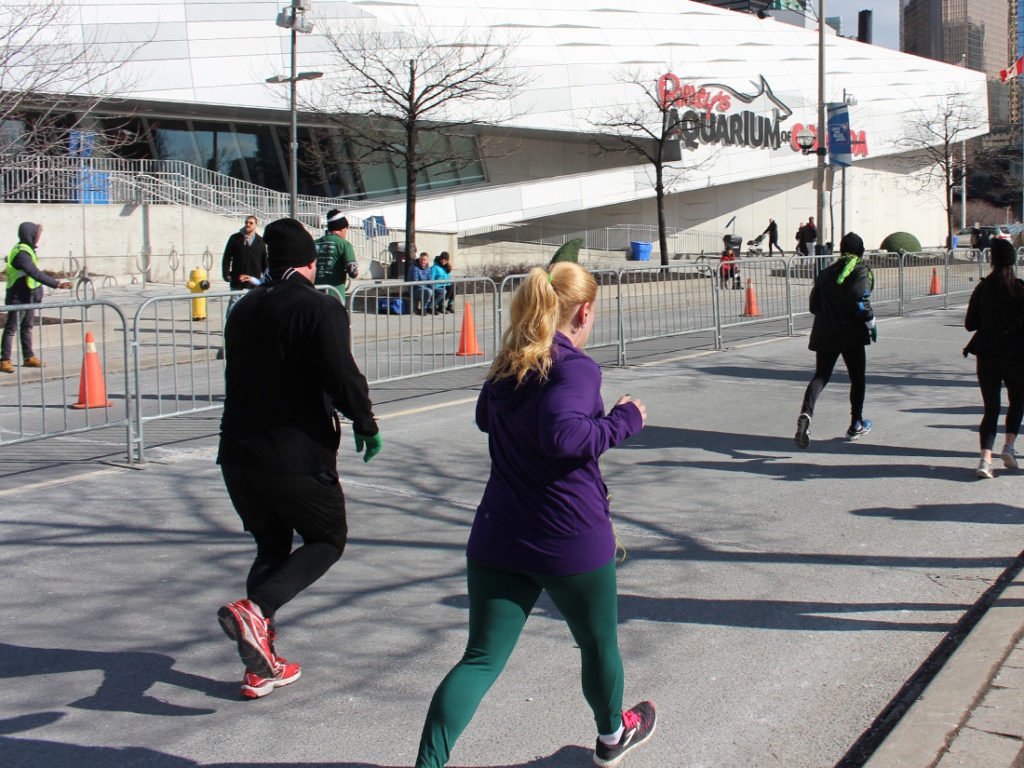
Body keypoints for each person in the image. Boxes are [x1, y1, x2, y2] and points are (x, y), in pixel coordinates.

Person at [414, 262, 656, 768]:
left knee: (479, 659)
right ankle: (612, 735)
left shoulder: (511, 362)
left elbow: (486, 417)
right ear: (584, 311)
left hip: (498, 536)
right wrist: (623, 419)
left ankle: (429, 764)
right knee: (597, 643)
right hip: (569, 536)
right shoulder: (576, 367)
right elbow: (565, 436)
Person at [216, 217, 382, 699]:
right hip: (293, 453)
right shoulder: (317, 307)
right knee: (327, 538)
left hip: (238, 453)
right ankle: (255, 610)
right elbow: (341, 374)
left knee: (271, 547)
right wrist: (365, 423)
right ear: (312, 261)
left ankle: (259, 664)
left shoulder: (244, 308)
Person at [794, 232, 875, 449]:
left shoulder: (826, 272)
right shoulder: (860, 270)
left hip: (826, 331)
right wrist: (870, 321)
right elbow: (860, 299)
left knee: (821, 375)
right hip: (851, 333)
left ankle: (806, 413)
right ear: (860, 251)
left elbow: (813, 305)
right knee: (857, 378)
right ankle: (855, 423)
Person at [963, 239, 1024, 479]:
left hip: (987, 355)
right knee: (1017, 401)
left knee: (991, 408)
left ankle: (985, 459)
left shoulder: (982, 288)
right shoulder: (1020, 289)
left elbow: (970, 325)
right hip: (1016, 356)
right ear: (1014, 260)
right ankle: (1008, 446)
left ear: (991, 260)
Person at [1, 222, 72, 373]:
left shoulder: (27, 250)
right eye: (36, 235)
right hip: (17, 297)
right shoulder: (21, 253)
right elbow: (34, 273)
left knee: (27, 327)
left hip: (28, 296)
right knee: (11, 328)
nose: (38, 238)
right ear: (29, 235)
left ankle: (28, 358)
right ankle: (4, 360)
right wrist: (56, 284)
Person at [314, 209, 358, 304]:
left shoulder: (314, 244)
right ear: (342, 228)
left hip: (315, 295)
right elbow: (353, 272)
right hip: (335, 295)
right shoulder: (344, 245)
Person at [222, 215, 268, 294]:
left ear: (255, 225)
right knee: (235, 304)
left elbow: (264, 262)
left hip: (254, 281)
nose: (248, 224)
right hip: (238, 280)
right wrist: (226, 274)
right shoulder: (235, 238)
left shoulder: (260, 241)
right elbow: (227, 257)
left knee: (253, 304)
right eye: (246, 222)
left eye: (251, 223)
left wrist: (266, 277)